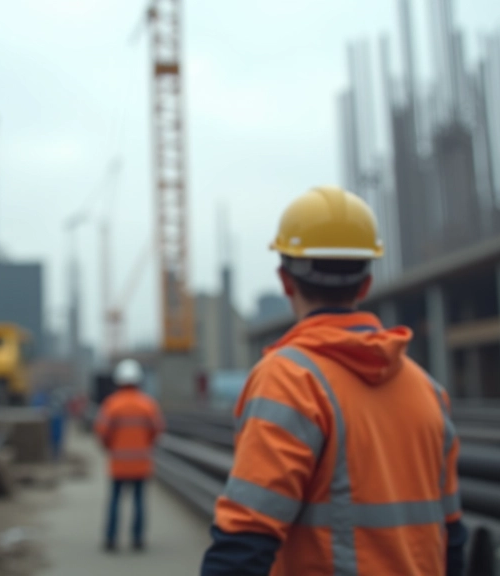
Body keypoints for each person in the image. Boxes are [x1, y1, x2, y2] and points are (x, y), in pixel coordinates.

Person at [200, 186, 467, 576]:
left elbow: (246, 538)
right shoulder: (429, 390)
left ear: (285, 281)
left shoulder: (290, 379)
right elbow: (452, 536)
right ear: (365, 284)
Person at [94, 358, 165, 552]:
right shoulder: (148, 404)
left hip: (118, 463)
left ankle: (111, 540)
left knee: (115, 501)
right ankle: (138, 540)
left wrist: (110, 447)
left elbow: (101, 431)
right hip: (141, 463)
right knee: (139, 501)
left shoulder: (111, 405)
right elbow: (157, 430)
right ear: (138, 380)